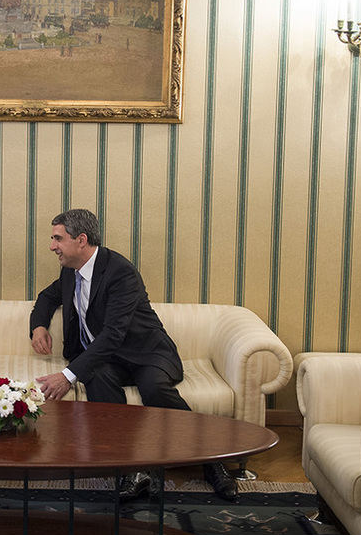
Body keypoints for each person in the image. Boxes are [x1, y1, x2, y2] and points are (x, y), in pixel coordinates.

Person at [30, 208, 237, 500]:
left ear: (81, 240)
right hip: (110, 359)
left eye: (58, 239)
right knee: (97, 377)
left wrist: (67, 376)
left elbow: (113, 335)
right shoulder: (70, 271)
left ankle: (213, 462)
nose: (52, 246)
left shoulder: (119, 272)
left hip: (147, 353)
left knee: (154, 388)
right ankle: (131, 470)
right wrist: (38, 326)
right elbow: (47, 297)